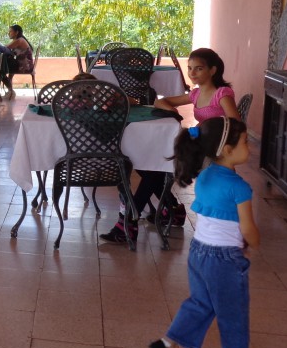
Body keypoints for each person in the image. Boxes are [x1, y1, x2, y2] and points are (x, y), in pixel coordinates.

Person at [149, 116, 261, 348]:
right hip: (224, 259)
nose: (250, 147)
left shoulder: (206, 175)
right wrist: (256, 241)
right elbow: (248, 230)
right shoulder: (239, 187)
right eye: (245, 142)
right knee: (233, 310)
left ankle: (166, 345)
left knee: (201, 302)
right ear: (227, 150)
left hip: (199, 252)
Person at [100, 47, 241, 245]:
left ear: (213, 70)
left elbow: (235, 123)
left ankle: (131, 221)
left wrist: (208, 132)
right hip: (197, 148)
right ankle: (168, 211)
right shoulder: (196, 94)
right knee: (148, 165)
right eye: (190, 68)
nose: (192, 73)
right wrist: (174, 112)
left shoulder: (222, 94)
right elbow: (162, 102)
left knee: (154, 167)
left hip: (212, 155)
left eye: (199, 69)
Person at [2, 24, 34, 99]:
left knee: (1, 71)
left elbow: (4, 48)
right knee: (6, 67)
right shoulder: (19, 40)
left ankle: (10, 91)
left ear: (16, 32)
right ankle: (10, 90)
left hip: (24, 67)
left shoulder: (19, 41)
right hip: (24, 65)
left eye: (10, 31)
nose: (8, 33)